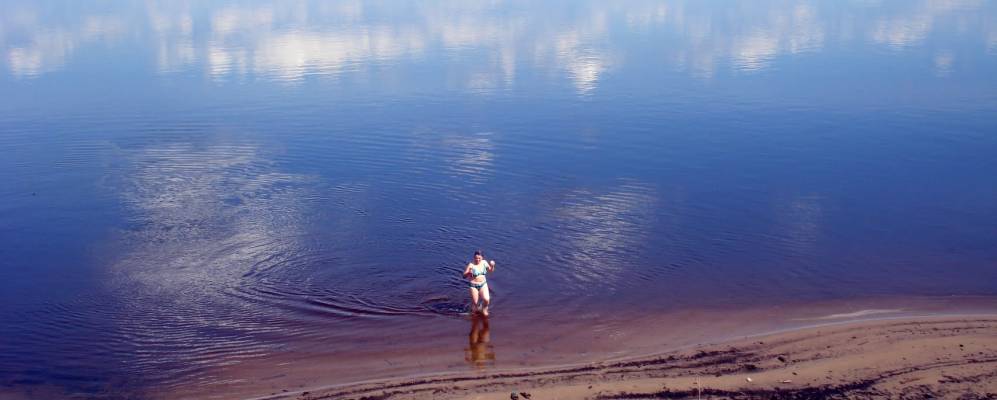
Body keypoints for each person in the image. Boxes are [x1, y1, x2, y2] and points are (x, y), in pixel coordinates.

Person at [462, 250, 496, 316]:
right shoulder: (471, 265)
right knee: (475, 303)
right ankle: (473, 312)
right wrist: (469, 272)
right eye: (476, 258)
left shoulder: (484, 263)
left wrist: (492, 266)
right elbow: (463, 276)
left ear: (482, 258)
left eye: (479, 258)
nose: (477, 259)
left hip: (483, 284)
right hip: (473, 285)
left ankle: (484, 308)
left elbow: (491, 271)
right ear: (474, 257)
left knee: (487, 299)